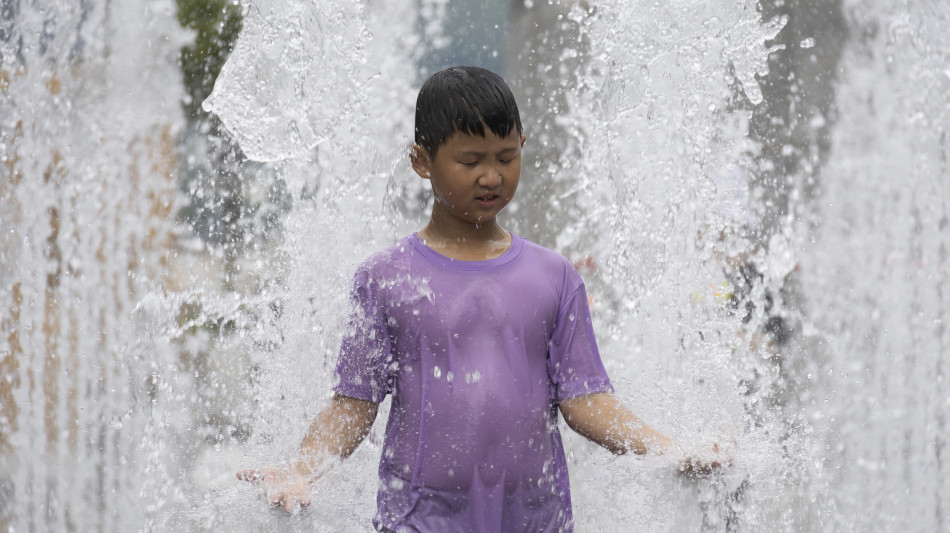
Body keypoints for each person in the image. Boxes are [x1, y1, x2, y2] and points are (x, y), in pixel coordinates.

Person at [238, 66, 727, 532]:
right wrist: (301, 470)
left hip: (535, 517)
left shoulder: (553, 276)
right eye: (470, 161)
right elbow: (353, 403)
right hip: (418, 517)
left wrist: (667, 449)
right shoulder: (386, 278)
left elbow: (586, 401)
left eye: (507, 157)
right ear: (421, 161)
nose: (491, 177)